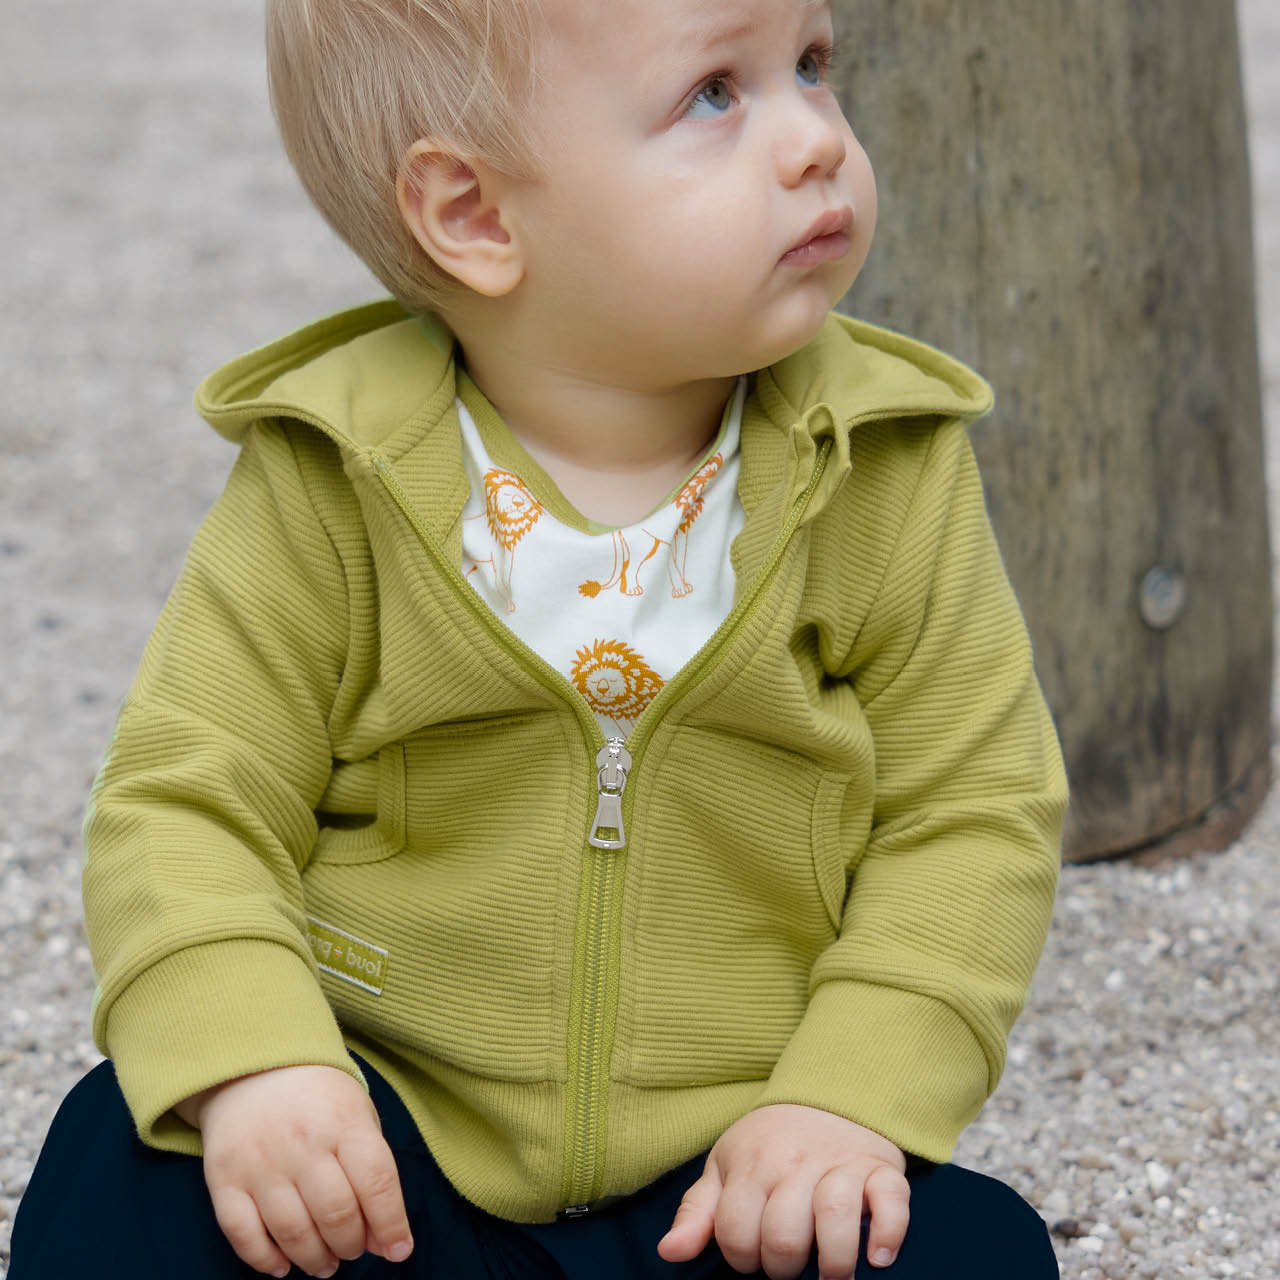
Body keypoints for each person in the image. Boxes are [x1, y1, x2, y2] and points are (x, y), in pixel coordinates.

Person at [10, 0, 1068, 1276]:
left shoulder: (881, 468)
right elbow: (185, 800)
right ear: (472, 214)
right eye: (713, 97)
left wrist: (841, 1099)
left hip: (728, 1174)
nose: (811, 142)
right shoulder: (334, 480)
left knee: (973, 1251)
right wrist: (262, 1060)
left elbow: (971, 809)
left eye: (810, 66)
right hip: (388, 1148)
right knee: (120, 1162)